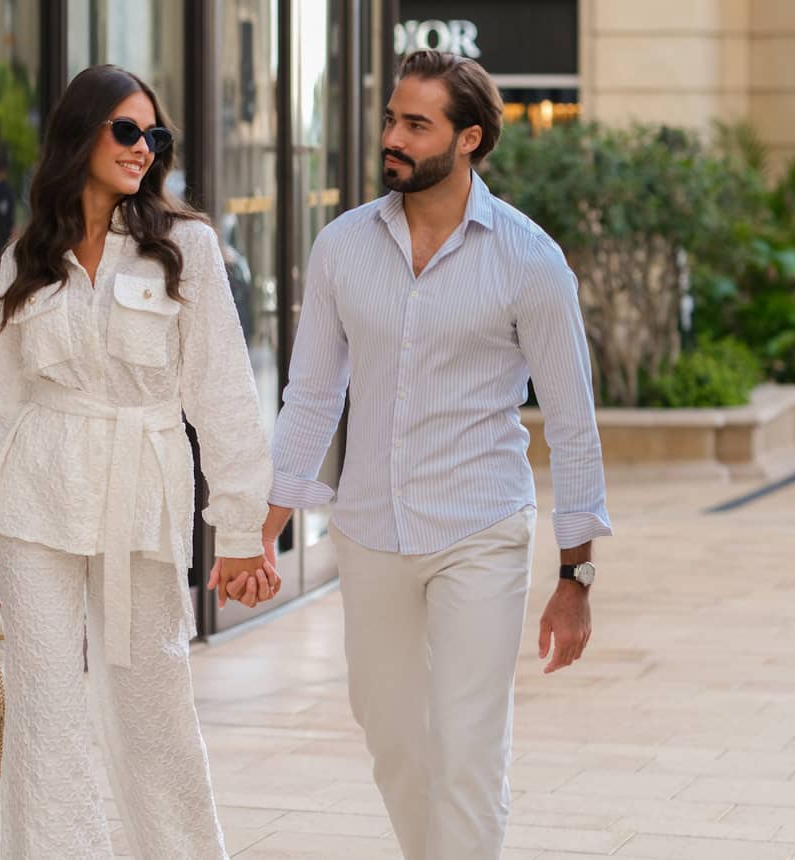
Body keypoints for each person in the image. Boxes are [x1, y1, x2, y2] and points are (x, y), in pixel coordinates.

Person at [240, 50, 613, 859]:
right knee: (395, 740)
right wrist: (265, 523)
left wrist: (575, 576)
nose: (393, 139)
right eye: (390, 120)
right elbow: (312, 394)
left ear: (469, 139)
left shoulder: (530, 260)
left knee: (469, 751)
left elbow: (574, 424)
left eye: (417, 124)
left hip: (479, 528)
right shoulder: (343, 246)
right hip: (370, 529)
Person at [0, 64, 279, 860]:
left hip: (142, 496)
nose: (143, 148)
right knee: (43, 710)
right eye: (127, 131)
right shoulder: (30, 252)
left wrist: (240, 526)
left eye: (154, 135)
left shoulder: (186, 248)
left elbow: (224, 394)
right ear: (82, 134)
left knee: (155, 700)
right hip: (36, 499)